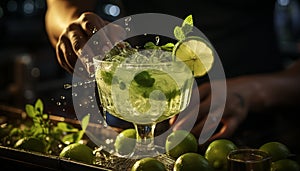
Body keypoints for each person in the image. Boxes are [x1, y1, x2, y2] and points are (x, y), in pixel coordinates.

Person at [45, 0, 300, 152]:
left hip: (262, 130)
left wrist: (254, 91)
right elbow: (60, 7)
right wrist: (74, 24)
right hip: (130, 114)